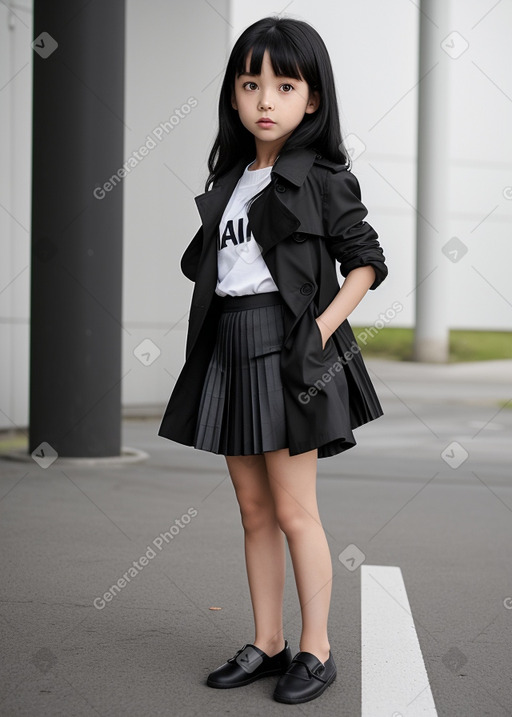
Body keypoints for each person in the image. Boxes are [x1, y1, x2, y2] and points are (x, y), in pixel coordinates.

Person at [158, 15, 388, 705]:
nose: (265, 99)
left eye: (285, 85)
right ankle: (268, 641)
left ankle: (316, 649)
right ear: (233, 95)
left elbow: (367, 263)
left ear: (311, 100)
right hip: (228, 341)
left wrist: (319, 329)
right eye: (250, 82)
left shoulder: (320, 176)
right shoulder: (229, 179)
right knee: (253, 509)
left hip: (290, 348)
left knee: (295, 511)